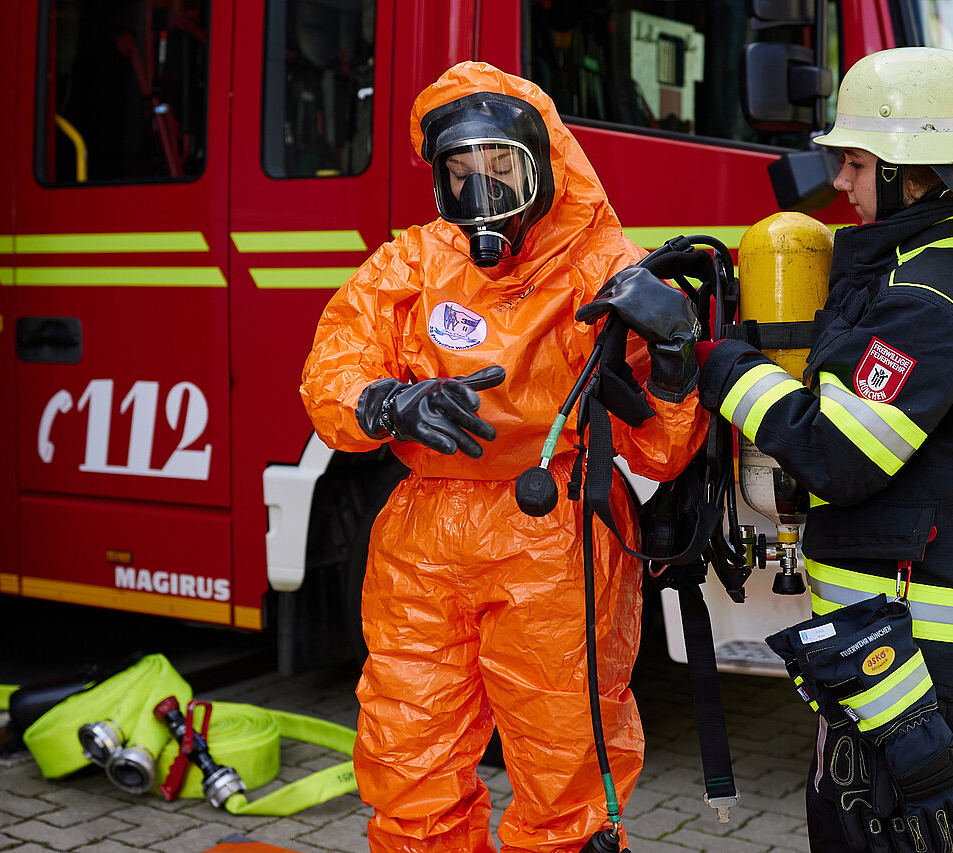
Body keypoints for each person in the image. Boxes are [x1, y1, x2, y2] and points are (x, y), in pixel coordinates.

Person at [300, 61, 707, 853]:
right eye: (461, 174)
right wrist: (388, 403)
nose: (482, 194)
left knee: (563, 769)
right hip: (424, 540)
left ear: (545, 167)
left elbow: (660, 450)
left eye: (500, 169)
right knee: (408, 756)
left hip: (553, 540)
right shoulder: (415, 263)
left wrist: (674, 359)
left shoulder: (606, 271)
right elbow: (333, 371)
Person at [695, 47, 953, 852]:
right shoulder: (932, 264)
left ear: (911, 173)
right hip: (903, 627)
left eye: (856, 163)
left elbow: (838, 456)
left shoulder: (926, 297)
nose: (841, 181)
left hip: (915, 646)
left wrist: (721, 366)